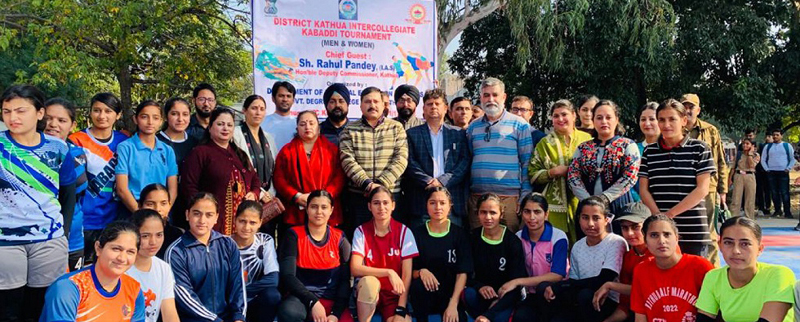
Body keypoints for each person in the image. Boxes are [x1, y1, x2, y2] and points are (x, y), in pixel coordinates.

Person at [0, 85, 77, 322]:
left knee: (41, 307)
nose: (13, 117)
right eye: (6, 111)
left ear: (40, 113)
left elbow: (68, 193)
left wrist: (61, 233)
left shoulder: (58, 148)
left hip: (48, 242)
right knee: (7, 309)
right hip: (5, 242)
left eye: (21, 111)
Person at [640, 99, 716, 257]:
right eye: (661, 119)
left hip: (693, 229)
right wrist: (659, 218)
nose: (666, 124)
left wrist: (670, 215)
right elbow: (644, 189)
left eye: (672, 119)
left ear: (683, 120)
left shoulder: (700, 149)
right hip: (661, 232)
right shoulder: (649, 152)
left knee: (694, 278)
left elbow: (702, 189)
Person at [539, 196, 627, 322]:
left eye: (596, 218)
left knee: (584, 294)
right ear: (579, 219)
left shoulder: (616, 242)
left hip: (607, 300)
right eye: (585, 218)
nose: (590, 224)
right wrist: (558, 287)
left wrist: (562, 285)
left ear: (606, 220)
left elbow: (604, 279)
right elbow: (574, 280)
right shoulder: (578, 246)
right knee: (545, 288)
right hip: (581, 299)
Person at [39, 221, 145, 322]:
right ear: (98, 248)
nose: (122, 258)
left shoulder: (133, 289)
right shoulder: (69, 287)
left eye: (130, 252)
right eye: (116, 249)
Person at [165, 192, 246, 322]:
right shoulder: (176, 251)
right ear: (187, 215)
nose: (202, 220)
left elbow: (238, 285)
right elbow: (184, 296)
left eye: (209, 215)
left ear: (216, 218)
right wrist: (215, 320)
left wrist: (238, 317)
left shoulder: (228, 244)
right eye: (196, 213)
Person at [466, 77, 533, 233]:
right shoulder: (473, 127)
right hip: (478, 197)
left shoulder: (519, 125)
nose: (491, 99)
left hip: (509, 199)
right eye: (486, 95)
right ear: (481, 97)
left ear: (504, 97)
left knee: (511, 242)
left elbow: (527, 161)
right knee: (479, 243)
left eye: (495, 95)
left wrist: (524, 196)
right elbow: (469, 159)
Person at [697, 217, 795, 322]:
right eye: (728, 243)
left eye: (745, 244)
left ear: (760, 249)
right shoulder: (713, 277)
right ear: (720, 245)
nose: (736, 251)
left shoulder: (779, 275)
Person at [180, 108, 262, 235]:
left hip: (242, 225)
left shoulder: (239, 153)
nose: (225, 128)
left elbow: (255, 178)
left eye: (229, 125)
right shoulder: (200, 153)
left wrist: (254, 193)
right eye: (220, 124)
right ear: (210, 127)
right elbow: (189, 186)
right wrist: (203, 213)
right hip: (213, 225)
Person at [68, 92, 128, 264]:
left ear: (118, 115)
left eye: (108, 111)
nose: (102, 116)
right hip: (83, 220)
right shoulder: (77, 140)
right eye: (97, 110)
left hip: (113, 219)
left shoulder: (124, 141)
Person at [277, 190, 354, 322]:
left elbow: (344, 281)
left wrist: (336, 313)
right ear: (307, 209)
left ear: (331, 210)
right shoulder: (293, 235)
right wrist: (313, 302)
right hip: (301, 298)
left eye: (324, 207)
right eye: (314, 207)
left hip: (331, 300)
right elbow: (287, 276)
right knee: (289, 313)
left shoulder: (340, 238)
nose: (319, 212)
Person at [339, 87, 409, 227]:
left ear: (383, 105)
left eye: (376, 101)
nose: (372, 105)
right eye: (367, 102)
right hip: (359, 197)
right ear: (360, 106)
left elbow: (401, 159)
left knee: (390, 241)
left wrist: (380, 185)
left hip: (389, 196)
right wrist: (368, 185)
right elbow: (347, 160)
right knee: (361, 242)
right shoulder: (349, 130)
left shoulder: (396, 128)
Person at [351, 186, 419, 322]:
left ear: (393, 205)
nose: (381, 207)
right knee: (370, 282)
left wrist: (401, 309)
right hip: (369, 293)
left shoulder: (404, 232)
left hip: (394, 295)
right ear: (369, 206)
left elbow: (406, 276)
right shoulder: (361, 231)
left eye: (385, 203)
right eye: (376, 203)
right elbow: (355, 268)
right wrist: (388, 272)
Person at [529, 99, 593, 244]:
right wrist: (551, 172)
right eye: (556, 116)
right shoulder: (545, 143)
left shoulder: (587, 139)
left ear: (574, 115)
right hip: (555, 206)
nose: (560, 119)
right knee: (558, 245)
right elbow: (532, 174)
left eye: (564, 114)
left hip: (583, 201)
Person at [405, 89, 470, 227]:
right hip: (422, 198)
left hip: (451, 198)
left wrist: (442, 181)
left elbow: (464, 162)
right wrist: (428, 181)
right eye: (429, 104)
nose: (433, 107)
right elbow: (409, 163)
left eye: (437, 103)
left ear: (446, 108)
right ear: (423, 109)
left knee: (453, 243)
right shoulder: (412, 134)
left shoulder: (458, 134)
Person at [629, 215, 713, 322]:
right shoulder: (641, 270)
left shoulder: (700, 266)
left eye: (667, 234)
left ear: (677, 238)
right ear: (645, 240)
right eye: (654, 235)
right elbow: (640, 317)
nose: (662, 241)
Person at [502, 193, 569, 322]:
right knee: (520, 317)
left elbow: (557, 275)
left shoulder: (558, 237)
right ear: (521, 213)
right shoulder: (518, 237)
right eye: (527, 211)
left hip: (553, 292)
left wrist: (517, 282)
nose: (532, 217)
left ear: (546, 214)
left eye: (537, 212)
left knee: (543, 287)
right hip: (529, 295)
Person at [274, 110, 346, 228]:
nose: (307, 127)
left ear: (318, 128)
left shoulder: (331, 150)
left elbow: (339, 177)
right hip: (296, 209)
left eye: (311, 123)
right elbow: (279, 179)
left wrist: (324, 197)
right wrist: (296, 196)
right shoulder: (286, 151)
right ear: (297, 129)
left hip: (326, 208)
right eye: (302, 124)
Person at [568, 99, 640, 216]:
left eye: (608, 117)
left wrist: (605, 198)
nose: (604, 121)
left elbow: (630, 176)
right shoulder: (583, 148)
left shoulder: (628, 145)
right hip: (586, 208)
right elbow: (573, 176)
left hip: (619, 205)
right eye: (599, 118)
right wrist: (588, 201)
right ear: (593, 120)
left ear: (616, 120)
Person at [410, 187, 471, 322]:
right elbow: (408, 271)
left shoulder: (459, 234)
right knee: (418, 286)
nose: (438, 207)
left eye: (442, 203)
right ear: (426, 206)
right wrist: (420, 272)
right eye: (432, 203)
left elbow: (462, 272)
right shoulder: (416, 234)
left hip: (450, 296)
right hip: (425, 296)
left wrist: (453, 304)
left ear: (450, 206)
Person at [682, 93, 729, 265]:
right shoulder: (674, 129)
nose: (687, 110)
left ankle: (711, 270)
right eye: (684, 106)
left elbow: (720, 161)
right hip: (683, 187)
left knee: (709, 233)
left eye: (691, 107)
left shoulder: (710, 131)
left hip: (708, 188)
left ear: (698, 110)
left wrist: (722, 191)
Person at [464, 193, 527, 322]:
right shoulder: (472, 238)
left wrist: (496, 305)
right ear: (477, 214)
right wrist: (480, 286)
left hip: (504, 297)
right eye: (483, 212)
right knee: (469, 294)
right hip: (482, 294)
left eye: (493, 212)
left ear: (501, 214)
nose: (488, 217)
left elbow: (517, 282)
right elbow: (466, 274)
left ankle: (486, 316)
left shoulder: (512, 241)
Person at [44, 97, 89, 272]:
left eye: (62, 120)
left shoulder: (77, 154)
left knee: (70, 288)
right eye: (48, 118)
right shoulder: (22, 154)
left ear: (72, 125)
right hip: (38, 237)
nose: (53, 124)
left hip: (74, 238)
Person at [115, 100, 178, 215]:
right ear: (136, 119)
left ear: (161, 121)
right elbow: (121, 189)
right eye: (144, 117)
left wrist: (164, 212)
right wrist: (140, 214)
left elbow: (173, 189)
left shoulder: (167, 150)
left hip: (161, 210)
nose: (150, 122)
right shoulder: (126, 147)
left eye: (155, 118)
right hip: (133, 208)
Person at [594, 202, 654, 322]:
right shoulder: (628, 256)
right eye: (625, 228)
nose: (630, 233)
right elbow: (625, 305)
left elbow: (649, 290)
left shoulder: (660, 252)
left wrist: (610, 285)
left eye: (636, 227)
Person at [127, 210, 180, 322]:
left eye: (159, 235)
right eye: (145, 236)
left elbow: (169, 314)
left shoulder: (163, 268)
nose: (153, 242)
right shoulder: (121, 268)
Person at [231, 201, 280, 322]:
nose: (247, 227)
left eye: (252, 222)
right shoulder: (225, 243)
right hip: (231, 301)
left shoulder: (264, 241)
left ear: (260, 223)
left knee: (272, 296)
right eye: (242, 221)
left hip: (253, 298)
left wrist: (241, 292)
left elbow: (273, 280)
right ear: (235, 220)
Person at [232, 94, 278, 199]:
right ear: (244, 110)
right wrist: (259, 193)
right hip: (247, 194)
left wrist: (270, 193)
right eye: (254, 108)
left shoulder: (269, 138)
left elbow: (274, 168)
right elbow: (237, 169)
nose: (258, 113)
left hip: (269, 196)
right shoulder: (235, 134)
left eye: (262, 109)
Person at [138, 183, 184, 259]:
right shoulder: (130, 234)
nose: (157, 209)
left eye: (163, 203)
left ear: (169, 205)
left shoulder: (178, 235)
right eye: (150, 204)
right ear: (140, 206)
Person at [761, 128, 796, 220]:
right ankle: (777, 211)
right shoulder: (768, 147)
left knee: (784, 192)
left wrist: (788, 168)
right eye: (774, 135)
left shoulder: (787, 146)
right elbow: (763, 159)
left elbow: (793, 158)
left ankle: (787, 212)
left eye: (777, 135)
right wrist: (767, 169)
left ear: (781, 135)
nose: (775, 136)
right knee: (774, 192)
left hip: (783, 172)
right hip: (771, 172)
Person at [157, 97, 199, 168]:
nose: (180, 119)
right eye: (174, 114)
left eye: (185, 114)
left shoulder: (195, 143)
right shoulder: (155, 142)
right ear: (166, 116)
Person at [261, 81, 297, 151]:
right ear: (273, 98)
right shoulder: (262, 122)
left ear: (293, 100)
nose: (285, 99)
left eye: (288, 96)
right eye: (281, 96)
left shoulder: (299, 124)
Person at [730, 138, 760, 219]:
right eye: (743, 143)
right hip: (738, 175)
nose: (745, 145)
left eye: (747, 144)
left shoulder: (756, 155)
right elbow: (733, 167)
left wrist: (750, 154)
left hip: (749, 176)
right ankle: (733, 217)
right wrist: (730, 179)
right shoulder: (739, 154)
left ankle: (749, 217)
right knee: (736, 198)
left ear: (752, 146)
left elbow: (752, 165)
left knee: (750, 198)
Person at [634, 102, 659, 195]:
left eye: (652, 119)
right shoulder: (632, 149)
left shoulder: (670, 149)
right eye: (643, 119)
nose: (647, 123)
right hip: (637, 206)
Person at [756, 134, 773, 217]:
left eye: (769, 136)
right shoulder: (761, 146)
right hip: (760, 171)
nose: (767, 138)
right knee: (760, 190)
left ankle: (768, 207)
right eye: (766, 136)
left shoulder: (774, 147)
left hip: (771, 171)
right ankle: (761, 207)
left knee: (768, 190)